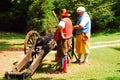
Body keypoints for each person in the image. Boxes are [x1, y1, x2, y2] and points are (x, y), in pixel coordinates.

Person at [54, 9, 73, 73]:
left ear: (61, 15)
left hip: (63, 39)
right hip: (69, 38)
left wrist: (61, 34)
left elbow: (60, 27)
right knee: (64, 53)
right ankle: (63, 68)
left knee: (62, 54)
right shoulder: (69, 20)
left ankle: (62, 69)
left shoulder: (63, 21)